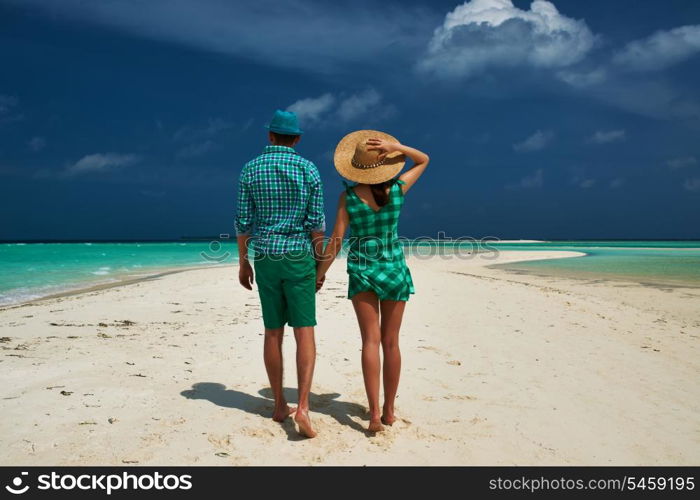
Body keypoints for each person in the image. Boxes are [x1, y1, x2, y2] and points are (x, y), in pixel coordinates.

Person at [316, 130, 429, 432]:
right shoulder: (398, 189)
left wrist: (319, 274)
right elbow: (423, 160)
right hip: (394, 270)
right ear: (385, 165)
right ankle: (390, 411)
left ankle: (375, 414)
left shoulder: (349, 197)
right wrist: (396, 147)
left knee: (370, 341)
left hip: (363, 270)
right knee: (391, 343)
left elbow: (336, 241)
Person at [235, 109, 325, 438]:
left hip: (266, 257)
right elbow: (316, 225)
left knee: (273, 331)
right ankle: (302, 406)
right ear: (297, 139)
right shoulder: (308, 169)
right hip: (299, 254)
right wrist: (320, 265)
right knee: (305, 331)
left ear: (270, 136)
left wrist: (243, 261)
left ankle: (277, 404)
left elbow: (244, 222)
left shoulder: (250, 169)